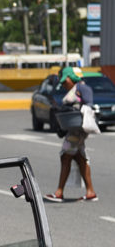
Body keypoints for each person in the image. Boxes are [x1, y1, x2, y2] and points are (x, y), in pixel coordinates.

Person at [44, 66, 98, 203]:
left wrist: (71, 108)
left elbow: (88, 105)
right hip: (74, 129)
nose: (63, 84)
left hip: (77, 130)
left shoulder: (82, 88)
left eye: (64, 81)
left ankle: (59, 192)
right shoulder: (75, 89)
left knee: (65, 156)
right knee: (80, 159)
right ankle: (90, 192)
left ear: (70, 78)